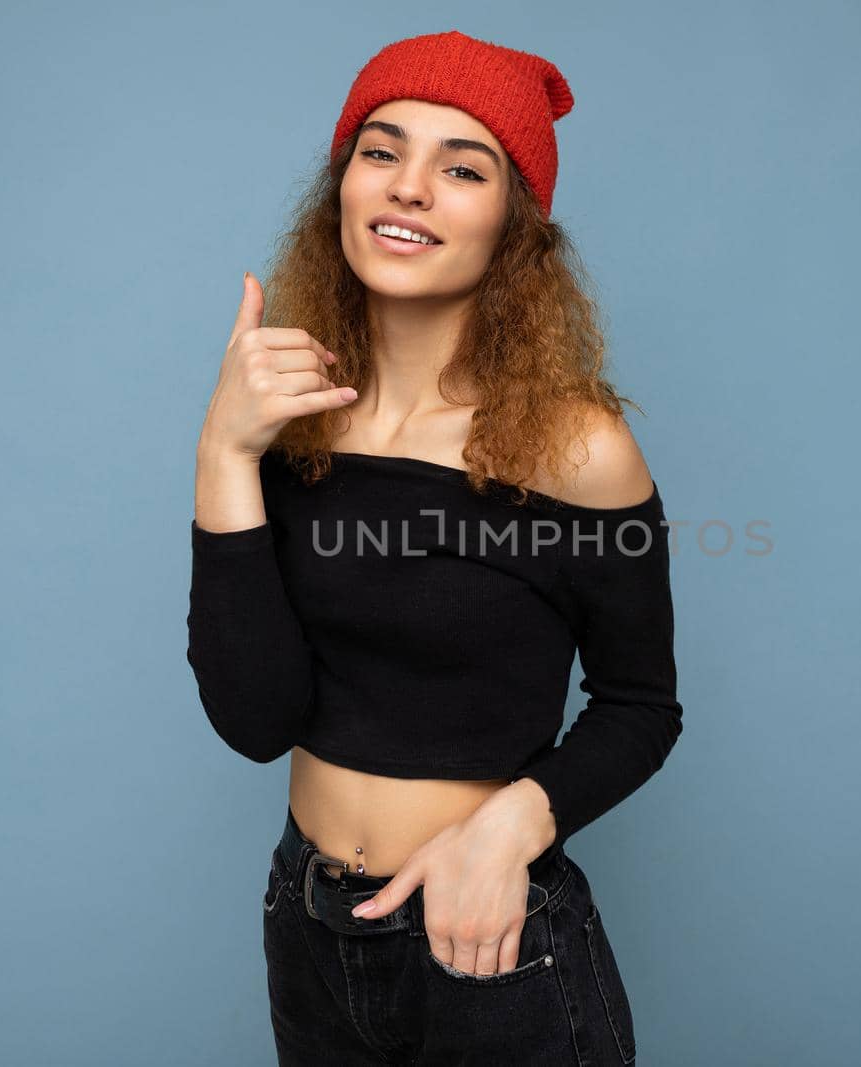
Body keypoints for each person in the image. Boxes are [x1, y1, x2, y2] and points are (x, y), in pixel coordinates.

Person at [187, 29, 681, 1066]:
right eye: (381, 150)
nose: (409, 187)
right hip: (308, 920)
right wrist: (226, 454)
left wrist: (512, 826)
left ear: (513, 225)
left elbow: (640, 705)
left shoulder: (577, 444)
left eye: (462, 167)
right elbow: (255, 719)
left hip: (491, 936)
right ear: (342, 187)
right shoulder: (294, 424)